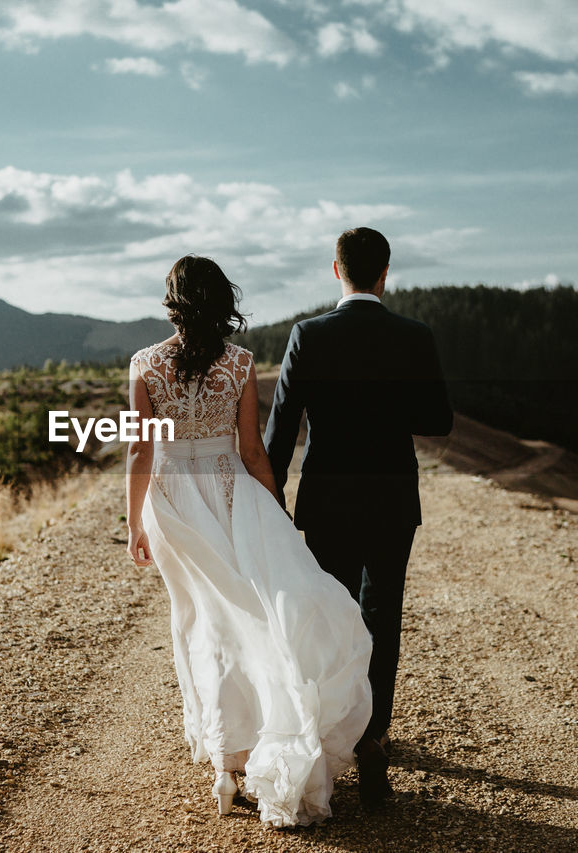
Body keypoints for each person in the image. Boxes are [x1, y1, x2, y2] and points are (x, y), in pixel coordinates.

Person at [125, 255, 375, 828]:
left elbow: (140, 449)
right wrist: (275, 509)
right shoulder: (238, 362)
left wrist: (135, 522)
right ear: (219, 300)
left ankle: (223, 766)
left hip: (171, 501)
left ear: (172, 300)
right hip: (231, 493)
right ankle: (255, 740)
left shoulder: (146, 363)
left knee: (198, 622)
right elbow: (252, 451)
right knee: (247, 615)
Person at [263, 226, 453, 809]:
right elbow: (438, 420)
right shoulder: (413, 335)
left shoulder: (308, 335)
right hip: (393, 499)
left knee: (331, 619)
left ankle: (330, 739)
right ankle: (373, 741)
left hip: (327, 500)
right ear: (385, 273)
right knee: (382, 615)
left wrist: (270, 497)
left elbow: (282, 425)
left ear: (335, 269)